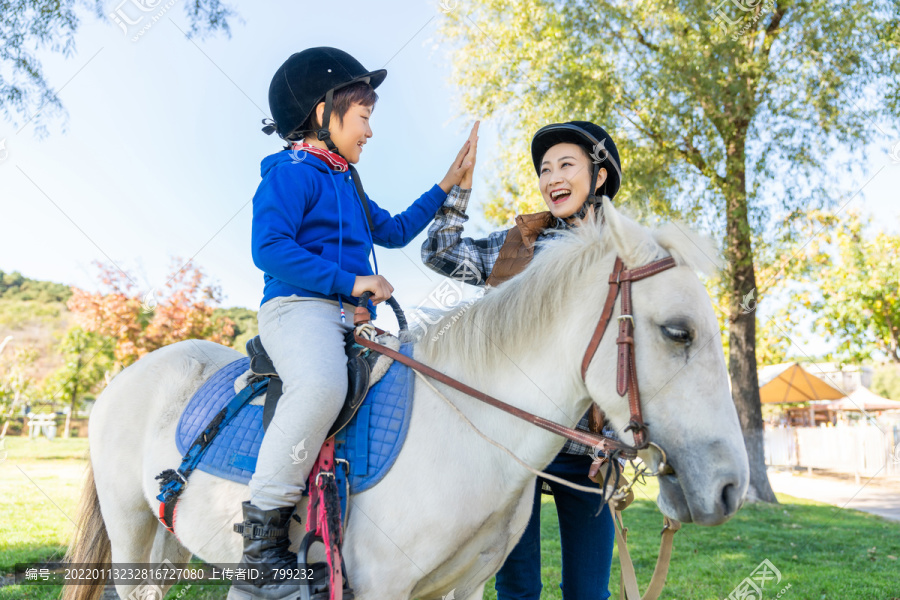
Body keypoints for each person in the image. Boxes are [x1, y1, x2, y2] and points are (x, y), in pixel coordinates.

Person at [234, 46, 477, 600]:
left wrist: (445, 186)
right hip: (298, 309)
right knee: (321, 384)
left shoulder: (348, 181)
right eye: (363, 117)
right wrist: (350, 283)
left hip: (349, 315)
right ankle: (262, 545)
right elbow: (268, 248)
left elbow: (391, 232)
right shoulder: (291, 173)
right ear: (323, 114)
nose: (369, 131)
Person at [421, 121, 623, 600]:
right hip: (515, 447)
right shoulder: (520, 245)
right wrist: (459, 190)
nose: (552, 176)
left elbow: (626, 355)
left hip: (589, 450)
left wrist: (613, 439)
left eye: (566, 164)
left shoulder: (623, 256)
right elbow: (439, 250)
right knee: (516, 589)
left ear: (598, 178)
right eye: (545, 168)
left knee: (589, 592)